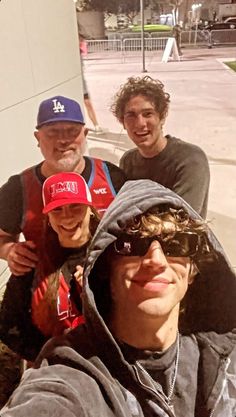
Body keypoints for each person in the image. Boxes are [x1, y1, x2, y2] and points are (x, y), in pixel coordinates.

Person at [1, 180, 236, 417]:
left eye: (178, 244)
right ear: (106, 269)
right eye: (132, 244)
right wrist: (41, 352)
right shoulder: (30, 263)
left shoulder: (220, 356)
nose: (156, 260)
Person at [0, 95, 126, 276]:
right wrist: (9, 250)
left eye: (71, 131)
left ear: (85, 135)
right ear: (38, 137)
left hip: (106, 288)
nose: (63, 140)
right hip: (47, 291)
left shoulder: (112, 177)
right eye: (52, 132)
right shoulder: (18, 189)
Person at [0, 172, 100, 362]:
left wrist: (97, 293)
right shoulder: (32, 260)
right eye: (58, 210)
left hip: (107, 370)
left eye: (76, 206)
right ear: (47, 216)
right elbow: (9, 326)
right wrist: (50, 353)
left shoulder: (110, 256)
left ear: (90, 208)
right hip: (50, 370)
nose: (67, 217)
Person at [111, 76, 210, 219]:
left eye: (148, 114)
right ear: (123, 122)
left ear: (162, 117)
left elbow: (181, 220)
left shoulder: (190, 159)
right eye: (131, 115)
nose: (140, 123)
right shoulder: (128, 161)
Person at [79, 33, 104, 133]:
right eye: (80, 40)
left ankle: (96, 125)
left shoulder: (79, 53)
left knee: (88, 103)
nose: (82, 42)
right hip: (76, 83)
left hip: (81, 83)